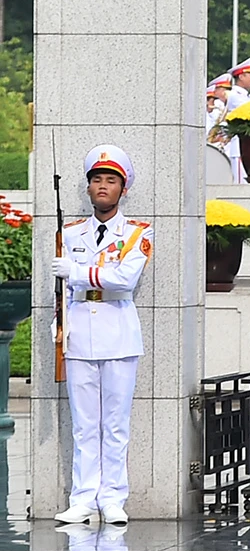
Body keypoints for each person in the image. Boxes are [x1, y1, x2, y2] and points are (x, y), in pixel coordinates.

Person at [52, 145, 151, 526]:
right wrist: (59, 322)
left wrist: (77, 273)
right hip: (79, 332)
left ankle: (112, 498)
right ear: (89, 188)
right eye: (97, 180)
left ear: (123, 189)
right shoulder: (71, 232)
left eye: (111, 181)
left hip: (118, 333)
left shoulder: (137, 233)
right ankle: (82, 498)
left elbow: (125, 279)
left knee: (114, 423)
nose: (103, 187)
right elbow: (58, 289)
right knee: (83, 424)